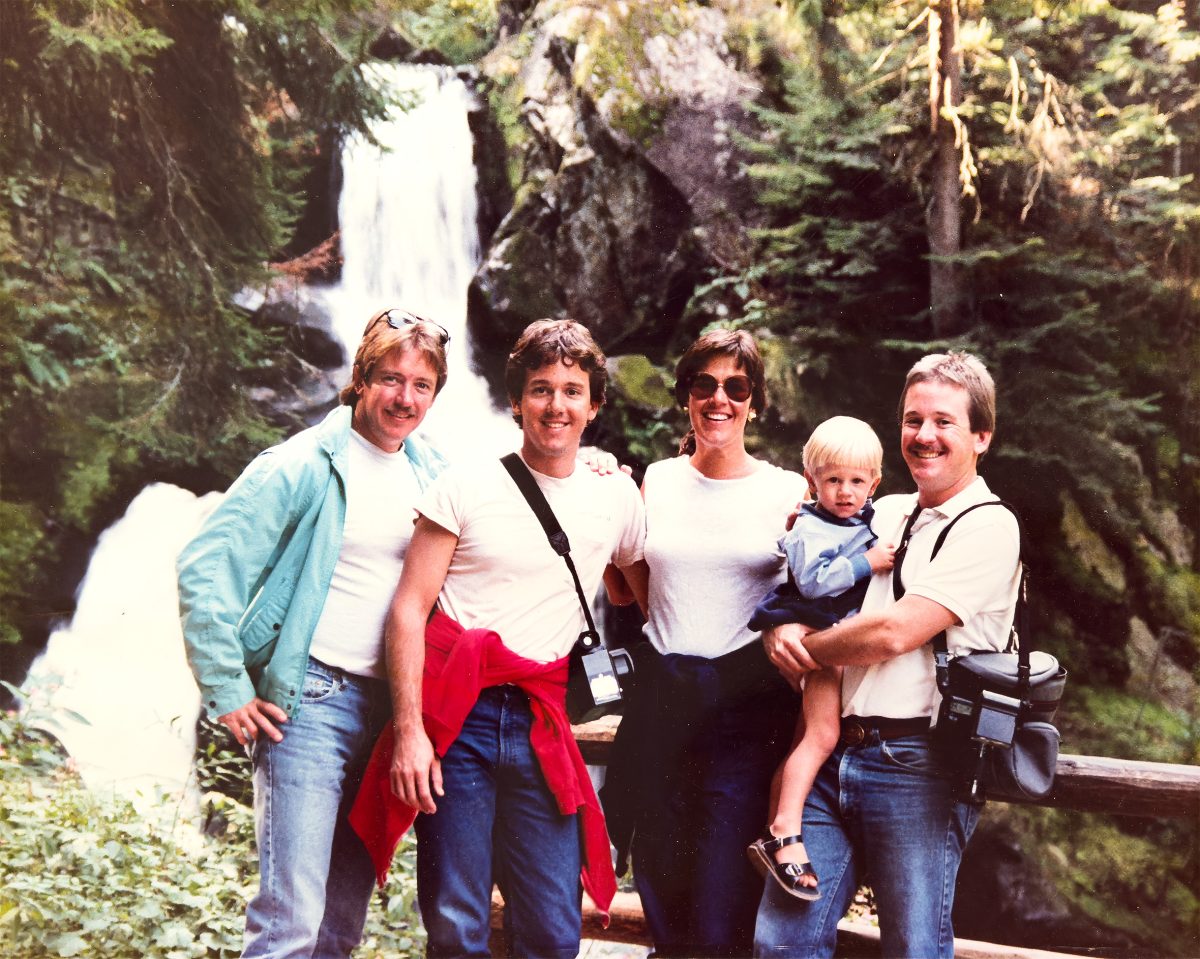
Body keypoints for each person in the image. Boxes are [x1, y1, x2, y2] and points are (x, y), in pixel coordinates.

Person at [177, 308, 451, 958]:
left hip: (390, 715)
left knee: (339, 926)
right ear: (361, 376)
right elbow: (205, 563)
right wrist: (228, 687)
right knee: (292, 920)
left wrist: (596, 466)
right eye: (390, 378)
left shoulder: (433, 472)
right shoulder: (301, 463)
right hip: (310, 706)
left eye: (421, 384)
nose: (403, 397)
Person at [380, 318, 647, 958]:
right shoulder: (464, 486)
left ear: (595, 403)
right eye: (541, 389)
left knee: (554, 929)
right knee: (455, 921)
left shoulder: (616, 499)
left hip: (542, 722)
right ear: (516, 399)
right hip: (459, 720)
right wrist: (411, 732)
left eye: (572, 390)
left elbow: (637, 593)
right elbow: (409, 610)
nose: (557, 405)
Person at [753, 351, 1022, 959]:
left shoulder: (989, 526)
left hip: (918, 765)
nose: (923, 436)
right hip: (830, 754)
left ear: (982, 435)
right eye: (912, 420)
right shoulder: (888, 510)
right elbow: (810, 571)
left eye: (943, 422)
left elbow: (894, 633)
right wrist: (781, 626)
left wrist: (802, 648)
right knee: (783, 941)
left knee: (913, 947)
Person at [600, 329, 809, 958]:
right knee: (662, 886)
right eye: (704, 385)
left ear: (754, 402)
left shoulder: (788, 490)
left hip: (746, 711)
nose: (719, 399)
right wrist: (602, 482)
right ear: (686, 396)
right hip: (663, 701)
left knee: (723, 900)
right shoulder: (656, 481)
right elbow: (625, 590)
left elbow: (820, 593)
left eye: (736, 387)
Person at [745, 416, 895, 901]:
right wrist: (865, 562)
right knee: (822, 735)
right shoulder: (811, 525)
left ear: (874, 483)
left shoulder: (862, 518)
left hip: (835, 638)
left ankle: (774, 827)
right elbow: (813, 583)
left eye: (856, 481)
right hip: (818, 638)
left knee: (803, 737)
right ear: (813, 482)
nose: (845, 492)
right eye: (833, 481)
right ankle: (785, 830)